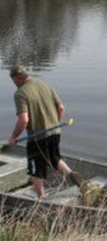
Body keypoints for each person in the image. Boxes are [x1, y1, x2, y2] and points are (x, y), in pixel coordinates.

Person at [7, 65, 83, 198]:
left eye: (14, 81)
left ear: (16, 78)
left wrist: (13, 137)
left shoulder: (20, 93)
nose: (14, 84)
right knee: (54, 158)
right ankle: (73, 176)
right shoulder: (44, 84)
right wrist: (54, 123)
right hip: (55, 132)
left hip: (37, 137)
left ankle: (41, 200)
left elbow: (24, 120)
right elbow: (61, 108)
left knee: (36, 169)